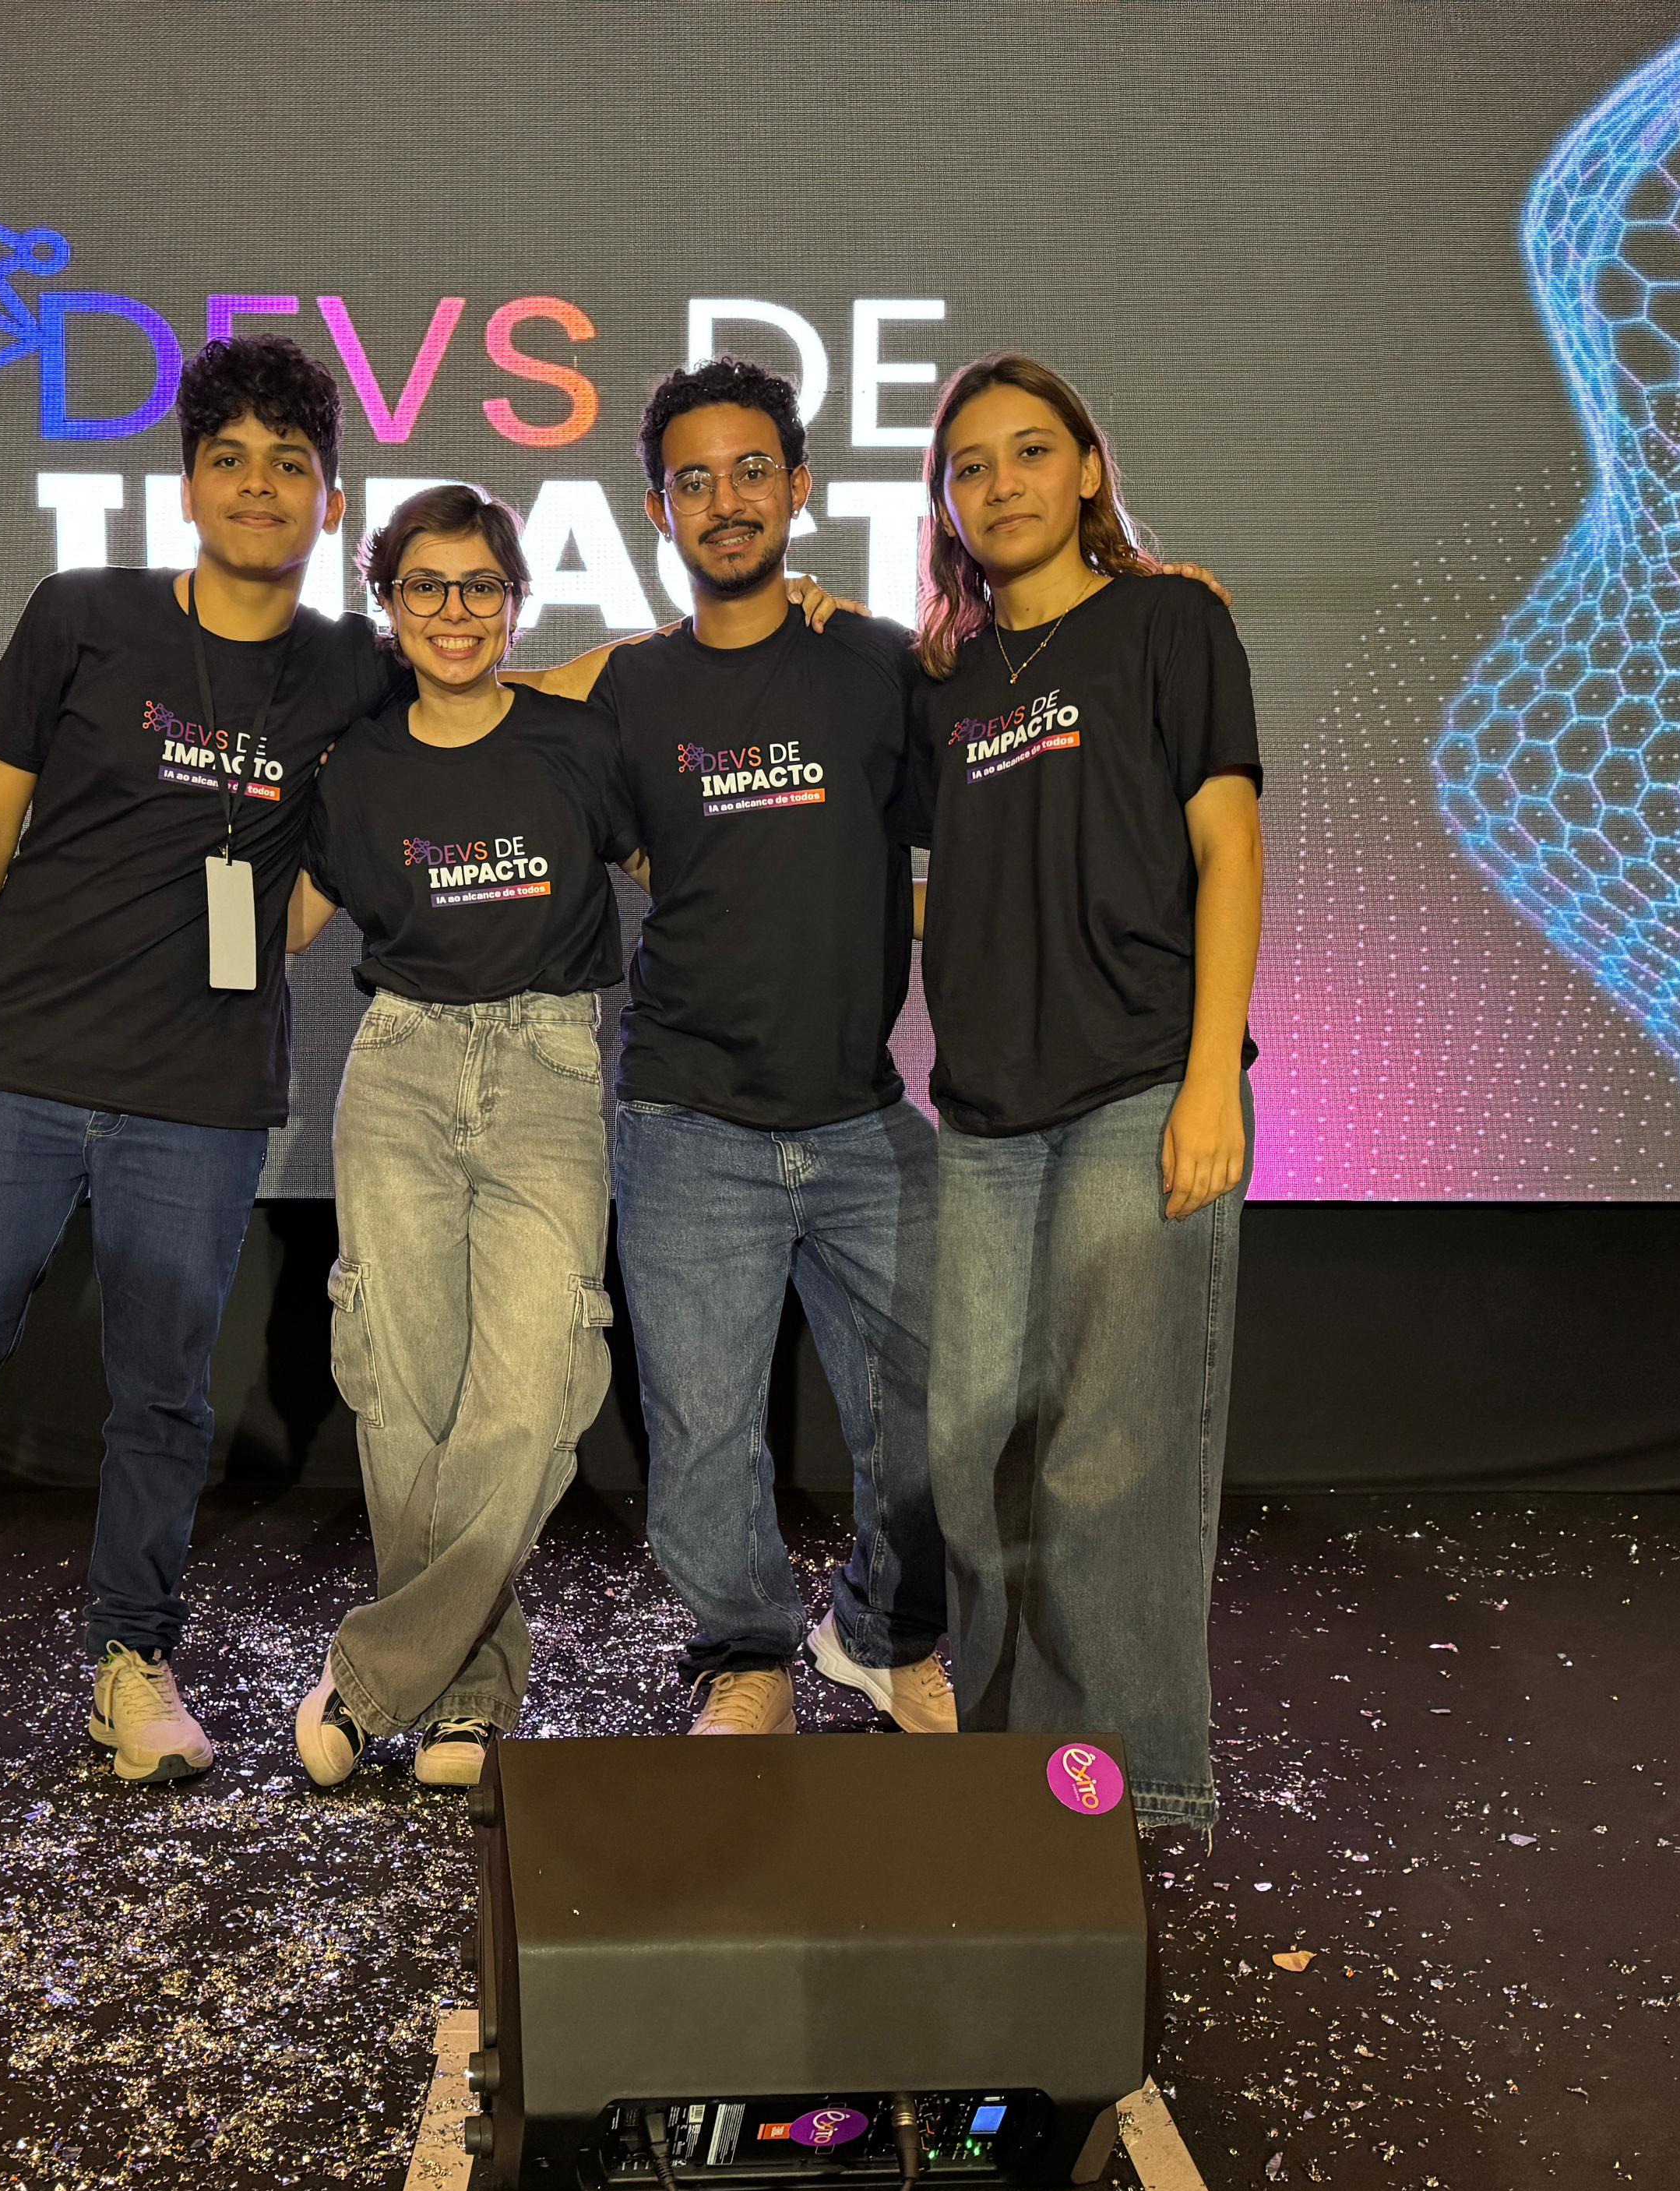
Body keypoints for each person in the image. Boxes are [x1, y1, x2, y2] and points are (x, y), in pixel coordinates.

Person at [0, 334, 389, 1802]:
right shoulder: (84, 615)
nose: (259, 487)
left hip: (199, 1094)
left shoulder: (351, 666)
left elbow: (499, 697)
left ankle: (132, 1662)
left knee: (162, 1400)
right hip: (14, 1067)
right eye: (229, 460)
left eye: (291, 464)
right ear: (188, 487)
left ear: (331, 501)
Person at [535, 358, 953, 1738]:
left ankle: (880, 1635)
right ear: (659, 510)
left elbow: (1025, 683)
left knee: (934, 1415)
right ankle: (747, 1654)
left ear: (801, 488)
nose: (727, 500)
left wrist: (1149, 588)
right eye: (694, 481)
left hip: (863, 1117)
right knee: (705, 1435)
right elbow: (474, 714)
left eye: (752, 471)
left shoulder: (876, 662)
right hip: (686, 1120)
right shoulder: (627, 689)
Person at [903, 353, 1264, 1857]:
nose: (1003, 484)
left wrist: (1210, 1079)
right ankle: (1011, 1767)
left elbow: (1230, 849)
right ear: (945, 504)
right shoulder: (942, 684)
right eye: (971, 466)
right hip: (987, 1114)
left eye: (1031, 451)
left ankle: (1123, 1791)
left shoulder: (1170, 623)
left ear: (1091, 469)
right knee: (975, 1444)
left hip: (1140, 1090)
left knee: (1110, 1457)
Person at [283, 486, 630, 1789]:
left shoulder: (578, 743)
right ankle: (471, 1698)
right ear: (387, 602)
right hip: (400, 1072)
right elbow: (285, 924)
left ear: (516, 602)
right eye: (425, 586)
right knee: (404, 1396)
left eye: (480, 585)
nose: (454, 611)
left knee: (532, 1391)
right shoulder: (356, 767)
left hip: (548, 1066)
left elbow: (701, 876)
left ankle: (376, 1677)